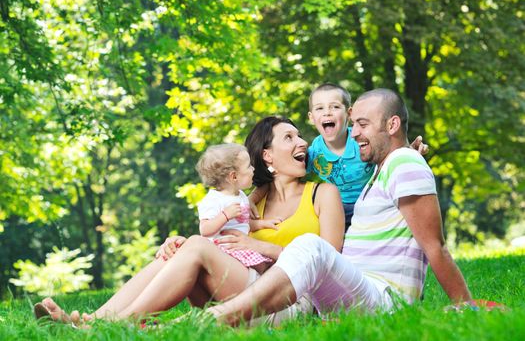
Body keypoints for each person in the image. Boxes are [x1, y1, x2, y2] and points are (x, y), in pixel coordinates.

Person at [33, 117, 345, 325]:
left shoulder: (322, 193)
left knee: (194, 246)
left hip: (289, 301)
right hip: (244, 288)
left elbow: (328, 260)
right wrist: (179, 246)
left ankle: (110, 326)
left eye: (300, 135)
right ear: (267, 156)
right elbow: (223, 241)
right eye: (289, 137)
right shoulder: (250, 200)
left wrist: (257, 245)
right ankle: (91, 320)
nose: (303, 142)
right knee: (180, 250)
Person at [207, 88, 472, 326]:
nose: (354, 132)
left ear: (392, 124)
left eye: (363, 124)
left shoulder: (404, 162)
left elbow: (435, 245)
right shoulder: (381, 170)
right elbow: (276, 176)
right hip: (357, 289)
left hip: (385, 301)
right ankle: (206, 321)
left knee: (311, 245)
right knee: (309, 249)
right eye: (354, 124)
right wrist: (250, 199)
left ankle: (210, 320)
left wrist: (466, 306)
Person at [252, 83, 427, 232]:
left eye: (335, 107)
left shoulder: (362, 141)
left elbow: (386, 153)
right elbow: (277, 176)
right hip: (335, 211)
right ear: (312, 118)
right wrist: (251, 199)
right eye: (320, 108)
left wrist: (406, 151)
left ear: (349, 114)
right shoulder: (313, 154)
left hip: (367, 208)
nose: (327, 113)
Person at [196, 143, 272, 274]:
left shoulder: (241, 195)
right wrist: (225, 215)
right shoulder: (214, 200)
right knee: (261, 267)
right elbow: (205, 230)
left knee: (265, 265)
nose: (253, 169)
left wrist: (261, 224)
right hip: (224, 249)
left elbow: (243, 223)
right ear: (234, 177)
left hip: (240, 246)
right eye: (248, 166)